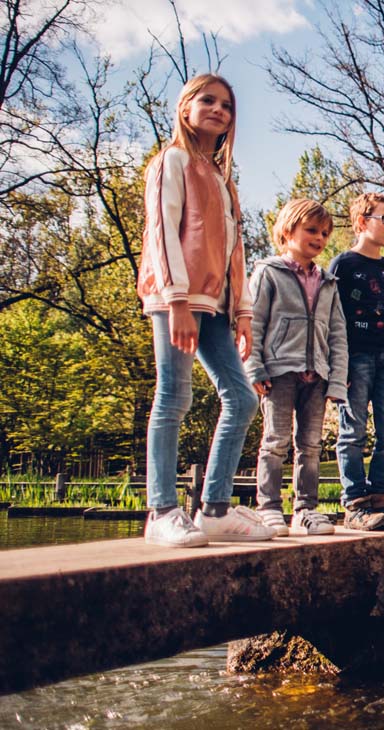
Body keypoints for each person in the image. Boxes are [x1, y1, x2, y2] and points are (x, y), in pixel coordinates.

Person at [137, 74, 276, 547]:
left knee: (242, 398)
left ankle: (214, 508)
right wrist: (176, 300)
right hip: (177, 297)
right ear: (185, 107)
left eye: (227, 105)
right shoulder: (171, 162)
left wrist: (242, 312)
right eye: (208, 101)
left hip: (218, 304)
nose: (218, 109)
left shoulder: (222, 180)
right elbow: (161, 232)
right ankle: (161, 510)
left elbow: (235, 249)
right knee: (174, 396)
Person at [245, 199, 348, 537]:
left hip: (316, 375)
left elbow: (337, 334)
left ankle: (305, 509)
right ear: (288, 231)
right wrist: (254, 367)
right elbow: (253, 323)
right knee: (275, 440)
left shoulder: (328, 282)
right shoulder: (269, 273)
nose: (319, 238)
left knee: (312, 445)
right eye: (311, 230)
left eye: (324, 233)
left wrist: (337, 380)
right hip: (278, 371)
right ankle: (269, 508)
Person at [329, 193, 384, 531]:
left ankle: (379, 500)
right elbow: (332, 318)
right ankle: (355, 504)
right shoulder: (343, 265)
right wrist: (337, 364)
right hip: (354, 357)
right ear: (362, 222)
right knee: (352, 432)